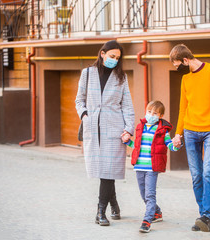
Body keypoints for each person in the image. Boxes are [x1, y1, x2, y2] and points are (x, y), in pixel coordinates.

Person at [169, 44, 210, 232]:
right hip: (190, 132)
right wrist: (178, 133)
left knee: (207, 173)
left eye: (177, 65)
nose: (177, 69)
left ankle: (206, 215)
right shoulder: (186, 79)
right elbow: (183, 108)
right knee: (196, 176)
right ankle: (203, 215)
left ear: (186, 60)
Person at [75, 40, 134, 226]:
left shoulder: (121, 77)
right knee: (104, 171)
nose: (114, 60)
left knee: (108, 170)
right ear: (102, 54)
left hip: (114, 129)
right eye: (111, 56)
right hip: (93, 127)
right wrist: (85, 115)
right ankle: (114, 203)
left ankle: (100, 211)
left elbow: (127, 106)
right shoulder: (87, 74)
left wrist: (128, 129)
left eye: (117, 58)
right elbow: (79, 100)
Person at [121, 100, 180, 233]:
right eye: (149, 112)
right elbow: (136, 146)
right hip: (139, 166)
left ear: (160, 116)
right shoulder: (140, 127)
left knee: (150, 195)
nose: (151, 115)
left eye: (155, 113)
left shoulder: (162, 130)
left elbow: (169, 145)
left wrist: (176, 145)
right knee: (143, 194)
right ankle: (157, 212)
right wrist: (127, 141)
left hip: (152, 167)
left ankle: (147, 221)